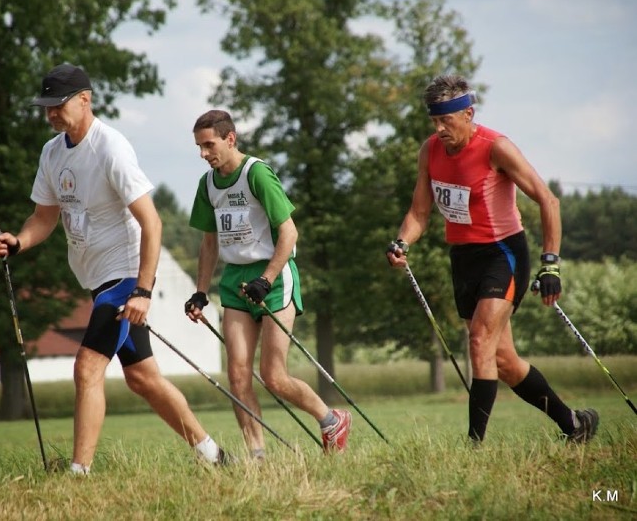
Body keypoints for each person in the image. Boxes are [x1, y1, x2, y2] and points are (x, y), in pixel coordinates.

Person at [0, 63, 229, 474]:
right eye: (45, 106)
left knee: (87, 367)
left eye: (57, 104)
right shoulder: (51, 153)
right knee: (143, 380)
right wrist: (19, 241)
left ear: (85, 100)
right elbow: (44, 217)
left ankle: (78, 474)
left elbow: (151, 223)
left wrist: (143, 290)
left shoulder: (110, 148)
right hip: (95, 280)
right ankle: (214, 456)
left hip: (123, 277)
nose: (50, 113)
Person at [385, 74, 599, 444]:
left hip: (503, 253)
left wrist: (551, 263)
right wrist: (401, 243)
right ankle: (574, 425)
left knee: (479, 341)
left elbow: (548, 200)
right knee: (504, 362)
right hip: (464, 257)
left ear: (468, 113)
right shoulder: (430, 151)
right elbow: (419, 213)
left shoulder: (496, 147)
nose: (439, 129)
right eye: (434, 121)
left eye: (446, 120)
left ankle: (474, 445)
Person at [184, 109, 352, 458]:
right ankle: (258, 458)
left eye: (209, 145)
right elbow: (209, 243)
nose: (203, 154)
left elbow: (290, 232)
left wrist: (266, 278)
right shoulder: (208, 184)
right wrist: (200, 291)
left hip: (274, 277)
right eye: (199, 147)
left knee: (274, 376)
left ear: (230, 139)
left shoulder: (256, 173)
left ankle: (330, 420)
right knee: (238, 377)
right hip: (234, 281)